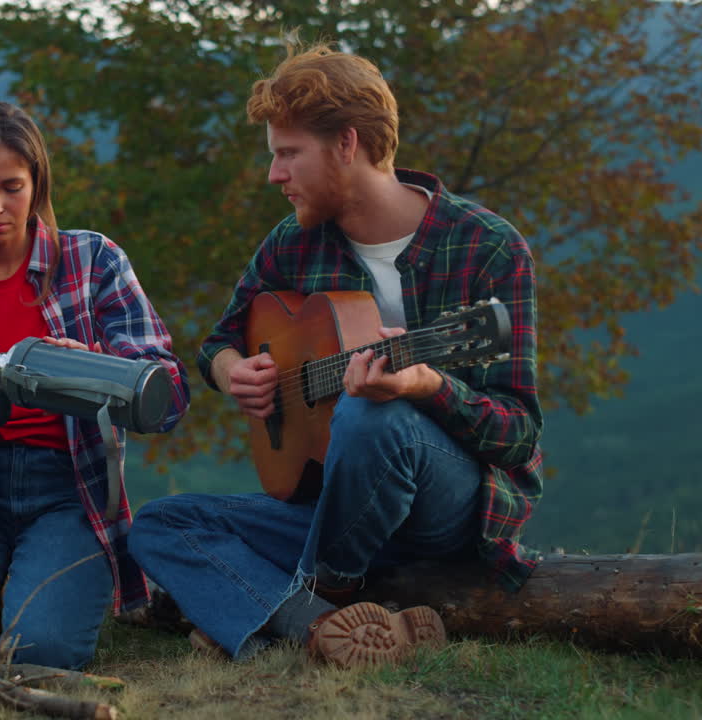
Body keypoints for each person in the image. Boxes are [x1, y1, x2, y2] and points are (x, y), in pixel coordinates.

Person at [128, 41, 543, 667]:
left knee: (369, 415)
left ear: (347, 145)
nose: (275, 174)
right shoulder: (294, 243)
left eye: (288, 154)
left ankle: (302, 596)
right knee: (159, 525)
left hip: (441, 512)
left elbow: (518, 436)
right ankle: (325, 629)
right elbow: (219, 342)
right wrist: (233, 371)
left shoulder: (487, 247)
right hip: (330, 508)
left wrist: (427, 388)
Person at [0, 101, 190, 670]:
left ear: (36, 183)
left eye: (11, 187)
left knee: (41, 655)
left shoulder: (93, 260)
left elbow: (167, 394)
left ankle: (15, 592)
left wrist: (98, 370)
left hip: (69, 493)